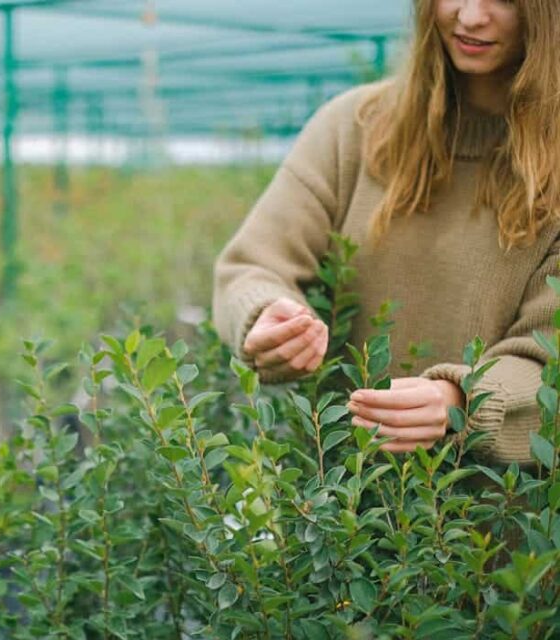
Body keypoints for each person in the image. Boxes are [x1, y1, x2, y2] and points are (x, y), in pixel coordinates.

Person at [213, 0, 558, 463]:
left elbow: (547, 360)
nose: (471, 16)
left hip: (501, 522)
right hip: (340, 511)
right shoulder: (354, 128)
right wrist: (266, 318)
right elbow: (252, 265)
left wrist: (462, 402)